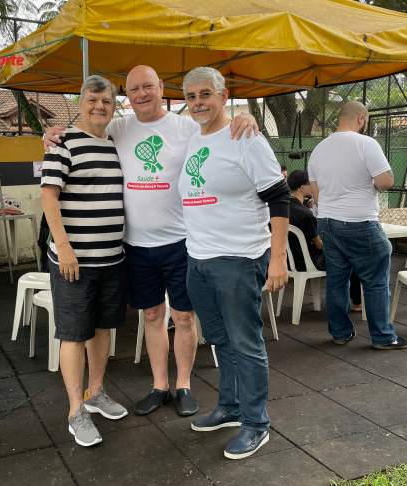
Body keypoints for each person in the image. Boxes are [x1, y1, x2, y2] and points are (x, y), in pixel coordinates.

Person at [43, 66, 258, 417]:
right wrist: (52, 133)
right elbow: (84, 130)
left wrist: (243, 117)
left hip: (180, 241)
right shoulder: (117, 127)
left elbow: (218, 127)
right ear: (127, 96)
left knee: (184, 317)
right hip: (135, 245)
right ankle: (159, 385)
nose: (141, 94)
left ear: (161, 87)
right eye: (134, 89)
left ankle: (183, 385)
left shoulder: (186, 127)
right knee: (153, 314)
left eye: (148, 86)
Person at [179, 67, 289, 460]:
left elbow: (279, 196)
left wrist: (278, 258)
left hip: (239, 258)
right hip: (198, 259)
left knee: (245, 342)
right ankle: (230, 407)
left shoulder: (246, 137)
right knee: (221, 339)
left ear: (224, 96)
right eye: (191, 96)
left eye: (205, 94)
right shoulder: (193, 137)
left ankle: (257, 424)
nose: (198, 103)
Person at [40, 75, 128, 447]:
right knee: (74, 334)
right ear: (81, 103)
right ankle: (76, 410)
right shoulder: (63, 143)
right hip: (74, 260)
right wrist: (64, 247)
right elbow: (49, 197)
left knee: (103, 329)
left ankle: (96, 392)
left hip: (112, 258)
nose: (99, 106)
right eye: (92, 100)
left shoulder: (115, 143)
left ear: (113, 106)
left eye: (106, 101)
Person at [308, 101, 407, 349]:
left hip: (327, 221)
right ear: (362, 118)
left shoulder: (319, 149)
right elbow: (386, 181)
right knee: (375, 281)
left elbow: (315, 191)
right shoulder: (366, 143)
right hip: (359, 221)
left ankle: (340, 333)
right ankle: (383, 336)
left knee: (336, 280)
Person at [287, 170, 362, 310]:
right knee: (350, 259)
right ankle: (356, 303)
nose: (314, 186)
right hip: (308, 261)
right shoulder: (306, 214)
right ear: (302, 188)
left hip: (289, 260)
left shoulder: (283, 207)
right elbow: (319, 245)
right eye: (310, 184)